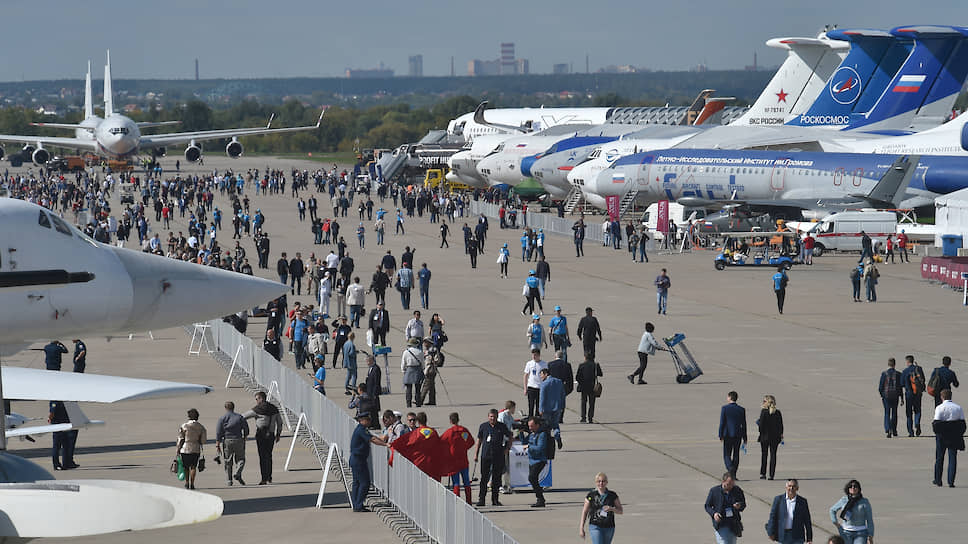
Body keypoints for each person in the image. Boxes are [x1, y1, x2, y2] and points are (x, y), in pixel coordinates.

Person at [243, 391, 284, 485]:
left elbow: (243, 416)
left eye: (257, 399)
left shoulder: (257, 409)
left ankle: (264, 479)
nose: (256, 401)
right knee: (269, 456)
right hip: (271, 435)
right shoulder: (274, 408)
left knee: (262, 457)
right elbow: (280, 423)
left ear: (261, 398)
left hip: (261, 435)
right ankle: (269, 477)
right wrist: (278, 434)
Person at [475, 408, 513, 507]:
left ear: (497, 417)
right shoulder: (483, 426)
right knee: (484, 478)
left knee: (496, 478)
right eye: (491, 416)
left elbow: (510, 436)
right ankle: (481, 499)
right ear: (488, 417)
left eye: (494, 416)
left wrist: (507, 448)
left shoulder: (501, 426)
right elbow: (479, 440)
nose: (493, 418)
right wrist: (476, 454)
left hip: (498, 455)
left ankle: (495, 500)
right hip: (486, 455)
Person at [349, 413, 387, 512]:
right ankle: (358, 504)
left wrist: (383, 440)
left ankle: (356, 503)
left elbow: (373, 437)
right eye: (368, 419)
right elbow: (373, 439)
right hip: (359, 460)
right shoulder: (361, 430)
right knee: (365, 483)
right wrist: (385, 445)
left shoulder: (362, 429)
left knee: (357, 483)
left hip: (356, 459)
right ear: (362, 420)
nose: (370, 421)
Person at [932, 389, 965, 487]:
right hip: (954, 436)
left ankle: (938, 480)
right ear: (951, 396)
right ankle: (951, 481)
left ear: (942, 397)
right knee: (952, 458)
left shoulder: (939, 408)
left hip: (942, 436)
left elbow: (936, 424)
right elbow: (963, 424)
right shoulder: (958, 408)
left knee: (939, 458)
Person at [440, 412, 476, 504]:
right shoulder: (464, 431)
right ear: (458, 419)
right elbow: (471, 442)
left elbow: (440, 442)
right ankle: (469, 502)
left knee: (456, 483)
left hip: (453, 462)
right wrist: (464, 448)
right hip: (463, 460)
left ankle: (458, 503)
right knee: (466, 482)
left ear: (450, 421)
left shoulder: (449, 432)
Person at [579, 472, 623, 543]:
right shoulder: (591, 495)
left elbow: (620, 511)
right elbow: (585, 512)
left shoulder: (612, 495)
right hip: (595, 526)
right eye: (599, 481)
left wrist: (612, 509)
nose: (601, 483)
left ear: (607, 482)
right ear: (596, 482)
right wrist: (581, 528)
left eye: (603, 481)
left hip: (609, 526)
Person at [765, 479, 813, 544]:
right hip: (783, 536)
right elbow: (772, 517)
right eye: (789, 486)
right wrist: (770, 532)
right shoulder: (778, 500)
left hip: (797, 537)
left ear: (797, 488)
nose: (791, 488)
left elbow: (807, 520)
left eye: (794, 486)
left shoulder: (802, 501)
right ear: (786, 487)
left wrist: (809, 538)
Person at [705, 472, 746, 544]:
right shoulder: (714, 491)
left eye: (732, 484)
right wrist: (714, 514)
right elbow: (707, 506)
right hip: (721, 524)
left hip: (733, 525)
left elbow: (743, 504)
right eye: (728, 484)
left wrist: (739, 505)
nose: (730, 486)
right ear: (723, 482)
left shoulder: (737, 490)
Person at [215, 401, 250, 486]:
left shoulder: (222, 418)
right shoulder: (240, 417)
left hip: (227, 441)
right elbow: (246, 429)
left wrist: (217, 444)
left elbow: (219, 432)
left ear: (225, 408)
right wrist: (245, 437)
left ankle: (229, 480)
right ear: (233, 407)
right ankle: (238, 473)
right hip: (238, 439)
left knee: (228, 461)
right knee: (241, 459)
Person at [828, 480, 874, 544]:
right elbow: (832, 510)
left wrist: (870, 535)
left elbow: (869, 520)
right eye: (850, 486)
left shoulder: (864, 501)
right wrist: (835, 522)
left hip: (861, 532)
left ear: (859, 489)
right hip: (845, 532)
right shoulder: (844, 500)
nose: (853, 488)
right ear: (848, 489)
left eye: (855, 486)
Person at [175, 408, 207, 490]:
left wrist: (178, 448)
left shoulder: (184, 426)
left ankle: (187, 483)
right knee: (193, 467)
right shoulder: (201, 427)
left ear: (189, 416)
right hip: (195, 448)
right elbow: (203, 441)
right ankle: (192, 484)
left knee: (186, 467)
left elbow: (181, 438)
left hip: (185, 448)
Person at [719, 391, 747, 478]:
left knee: (727, 454)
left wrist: (720, 434)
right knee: (736, 454)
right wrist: (745, 436)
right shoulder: (741, 409)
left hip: (727, 434)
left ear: (729, 397)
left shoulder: (725, 408)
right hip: (738, 434)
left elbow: (722, 422)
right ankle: (733, 473)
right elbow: (744, 424)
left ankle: (730, 468)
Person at [757, 395, 784, 480]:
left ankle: (763, 473)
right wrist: (780, 434)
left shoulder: (764, 412)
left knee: (764, 455)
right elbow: (781, 426)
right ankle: (771, 474)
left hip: (765, 437)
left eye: (764, 401)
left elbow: (761, 425)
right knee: (773, 455)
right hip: (775, 437)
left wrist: (760, 430)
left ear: (767, 402)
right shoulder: (778, 412)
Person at [525, 417, 549, 507]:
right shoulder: (531, 434)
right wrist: (520, 433)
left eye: (532, 426)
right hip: (532, 460)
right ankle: (540, 498)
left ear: (537, 425)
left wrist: (529, 447)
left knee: (532, 477)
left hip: (540, 460)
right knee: (532, 479)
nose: (530, 428)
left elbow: (540, 448)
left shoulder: (542, 434)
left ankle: (540, 499)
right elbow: (524, 441)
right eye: (529, 426)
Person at [538, 368, 565, 447]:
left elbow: (542, 398)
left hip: (547, 409)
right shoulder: (559, 382)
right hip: (557, 408)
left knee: (547, 426)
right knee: (555, 425)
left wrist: (540, 409)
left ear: (546, 374)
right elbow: (563, 395)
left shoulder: (544, 384)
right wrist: (562, 406)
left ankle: (548, 441)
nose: (541, 377)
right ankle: (557, 436)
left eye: (541, 375)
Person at [900, 355, 925, 437]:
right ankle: (917, 422)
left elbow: (902, 383)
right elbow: (923, 380)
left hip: (909, 394)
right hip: (918, 393)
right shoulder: (919, 369)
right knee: (917, 410)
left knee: (909, 413)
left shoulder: (905, 371)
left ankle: (910, 432)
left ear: (907, 362)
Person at [48, 400, 77, 470]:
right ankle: (57, 464)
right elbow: (52, 411)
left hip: (66, 423)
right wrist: (50, 418)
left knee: (65, 445)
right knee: (57, 446)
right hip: (59, 425)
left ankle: (67, 463)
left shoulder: (65, 400)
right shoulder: (56, 400)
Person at [877, 358, 902, 438]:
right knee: (894, 413)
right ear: (894, 364)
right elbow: (900, 387)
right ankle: (894, 429)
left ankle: (887, 428)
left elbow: (880, 386)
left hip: (886, 396)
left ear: (888, 364)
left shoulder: (884, 374)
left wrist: (882, 395)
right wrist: (901, 397)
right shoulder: (898, 374)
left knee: (887, 413)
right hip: (895, 396)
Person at [547, 350, 574, 423]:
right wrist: (570, 388)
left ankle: (553, 417)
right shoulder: (567, 365)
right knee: (561, 403)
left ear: (555, 356)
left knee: (553, 402)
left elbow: (547, 377)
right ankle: (560, 418)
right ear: (562, 357)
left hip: (552, 386)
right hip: (562, 386)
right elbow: (570, 378)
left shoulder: (550, 364)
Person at [576, 355, 603, 424]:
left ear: (585, 357)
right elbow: (600, 374)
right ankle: (590, 418)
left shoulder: (581, 365)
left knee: (583, 402)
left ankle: (583, 417)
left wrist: (581, 382)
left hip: (584, 386)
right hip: (592, 386)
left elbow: (577, 377)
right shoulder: (595, 365)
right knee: (592, 403)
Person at [523, 348, 548, 419]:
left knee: (539, 405)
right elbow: (525, 375)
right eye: (533, 355)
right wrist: (525, 388)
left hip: (540, 387)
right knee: (531, 405)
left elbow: (546, 376)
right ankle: (530, 418)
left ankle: (537, 419)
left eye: (535, 355)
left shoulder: (543, 364)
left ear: (539, 355)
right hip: (531, 386)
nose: (534, 357)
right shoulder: (529, 363)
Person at [401, 337, 424, 408]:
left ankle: (408, 403)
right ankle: (418, 402)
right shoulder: (420, 352)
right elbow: (422, 362)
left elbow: (403, 363)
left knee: (408, 388)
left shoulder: (406, 352)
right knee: (418, 388)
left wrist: (403, 371)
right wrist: (422, 369)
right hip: (417, 369)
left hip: (409, 369)